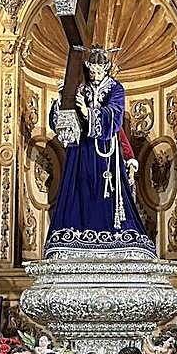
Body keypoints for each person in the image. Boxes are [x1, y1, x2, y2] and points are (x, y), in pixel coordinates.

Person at [45, 45, 154, 257]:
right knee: (80, 189)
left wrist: (89, 112)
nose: (94, 73)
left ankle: (114, 240)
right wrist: (63, 98)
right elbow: (63, 124)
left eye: (98, 69)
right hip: (82, 150)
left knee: (108, 194)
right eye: (91, 69)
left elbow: (115, 116)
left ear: (106, 68)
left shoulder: (115, 88)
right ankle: (75, 239)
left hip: (106, 151)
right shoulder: (80, 88)